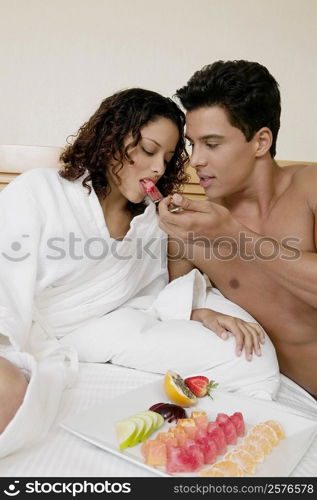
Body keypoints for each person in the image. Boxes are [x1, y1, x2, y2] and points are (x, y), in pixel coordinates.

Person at [0, 87, 279, 457]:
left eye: (167, 157)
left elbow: (148, 292)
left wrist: (195, 311)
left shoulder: (150, 219)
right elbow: (6, 278)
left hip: (106, 327)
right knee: (8, 389)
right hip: (34, 327)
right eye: (148, 151)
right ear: (111, 140)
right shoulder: (39, 190)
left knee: (250, 356)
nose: (159, 168)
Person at [158, 60, 317, 400]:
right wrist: (200, 313)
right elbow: (174, 307)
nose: (195, 160)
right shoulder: (190, 228)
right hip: (281, 399)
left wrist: (234, 234)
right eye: (192, 144)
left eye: (211, 144)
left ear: (260, 142)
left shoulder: (309, 187)